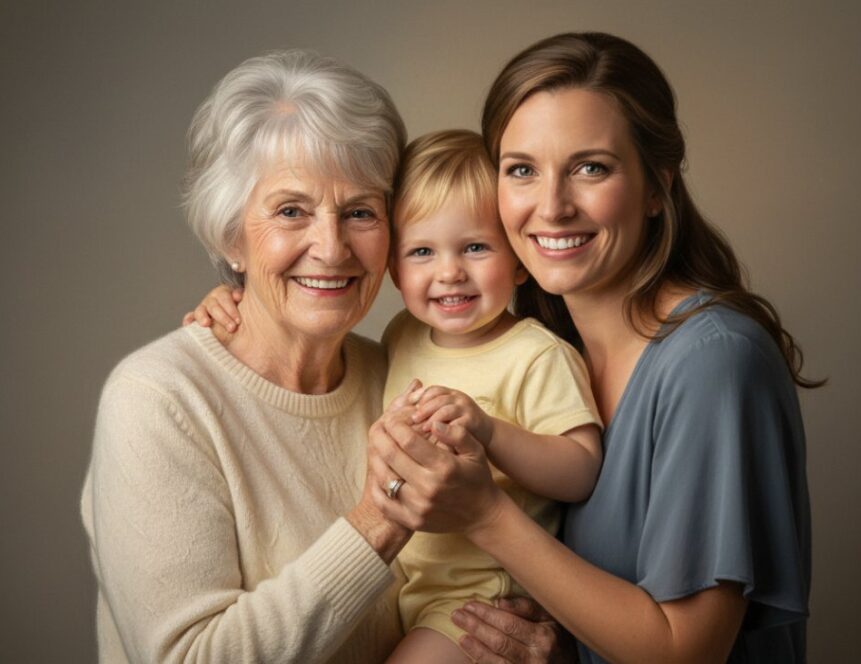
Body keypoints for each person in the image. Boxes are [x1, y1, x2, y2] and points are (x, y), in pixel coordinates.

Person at [365, 32, 813, 664]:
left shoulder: (713, 362)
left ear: (658, 186)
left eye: (590, 168)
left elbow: (683, 653)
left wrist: (486, 513)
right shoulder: (550, 343)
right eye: (522, 169)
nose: (551, 206)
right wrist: (237, 305)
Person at [189, 129, 603, 663]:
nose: (449, 271)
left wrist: (491, 431)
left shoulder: (535, 355)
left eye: (476, 247)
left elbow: (581, 471)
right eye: (422, 251)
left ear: (520, 259)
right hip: (410, 595)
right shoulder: (403, 336)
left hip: (480, 602)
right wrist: (234, 301)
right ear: (393, 268)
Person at [82, 49, 414, 663]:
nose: (331, 246)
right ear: (231, 235)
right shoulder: (158, 400)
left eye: (360, 211)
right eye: (292, 210)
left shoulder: (401, 374)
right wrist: (381, 520)